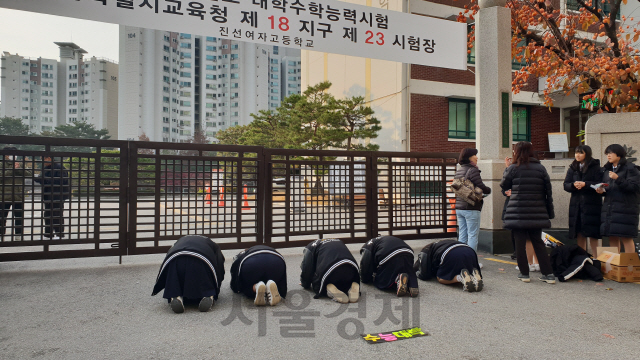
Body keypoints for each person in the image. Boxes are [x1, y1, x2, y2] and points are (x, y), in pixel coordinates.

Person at [501, 141, 556, 284]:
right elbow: (548, 192)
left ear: (517, 152)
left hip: (518, 211)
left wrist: (506, 168)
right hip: (537, 211)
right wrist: (549, 212)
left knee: (519, 243)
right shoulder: (540, 168)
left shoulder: (513, 168)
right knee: (538, 242)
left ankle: (524, 274)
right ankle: (548, 274)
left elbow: (504, 185)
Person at [152, 235, 225, 313]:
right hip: (201, 259)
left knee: (174, 275)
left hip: (176, 257)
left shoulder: (178, 241)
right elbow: (219, 265)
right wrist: (217, 287)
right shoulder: (213, 244)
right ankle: (208, 294)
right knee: (205, 276)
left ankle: (176, 295)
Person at [596, 144, 640, 253]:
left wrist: (618, 179)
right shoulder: (607, 170)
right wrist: (602, 191)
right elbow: (611, 188)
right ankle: (615, 265)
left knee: (626, 237)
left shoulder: (630, 168)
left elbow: (634, 187)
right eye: (607, 153)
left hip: (625, 209)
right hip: (610, 208)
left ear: (619, 154)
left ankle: (629, 265)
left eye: (611, 153)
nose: (608, 156)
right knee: (612, 236)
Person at [563, 145, 603, 257]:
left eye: (580, 153)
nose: (577, 155)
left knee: (593, 233)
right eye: (576, 152)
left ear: (587, 154)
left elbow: (600, 184)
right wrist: (573, 185)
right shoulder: (573, 167)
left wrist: (586, 184)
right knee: (579, 232)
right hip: (576, 205)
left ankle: (597, 259)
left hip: (592, 205)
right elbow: (566, 185)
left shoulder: (595, 167)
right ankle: (582, 259)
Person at [454, 148, 491, 254]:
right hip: (470, 207)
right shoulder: (473, 170)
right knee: (472, 235)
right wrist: (489, 190)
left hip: (459, 207)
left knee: (462, 235)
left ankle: (461, 258)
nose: (477, 157)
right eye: (475, 155)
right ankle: (471, 261)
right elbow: (481, 186)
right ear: (469, 157)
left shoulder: (460, 170)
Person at [300, 238, 360, 304]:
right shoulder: (338, 240)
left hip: (331, 272)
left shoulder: (310, 247)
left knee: (318, 284)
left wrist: (305, 283)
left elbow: (307, 268)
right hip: (351, 269)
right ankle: (349, 286)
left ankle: (328, 291)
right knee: (344, 278)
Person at [413, 240, 483, 292]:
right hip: (469, 251)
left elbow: (424, 272)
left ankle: (460, 278)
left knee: (440, 279)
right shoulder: (440, 243)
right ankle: (473, 275)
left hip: (450, 253)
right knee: (462, 267)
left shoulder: (426, 250)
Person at [33, 156, 70, 239]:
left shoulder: (59, 168)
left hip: (58, 195)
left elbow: (60, 181)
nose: (43, 161)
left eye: (43, 159)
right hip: (48, 195)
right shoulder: (46, 168)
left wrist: (45, 179)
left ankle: (59, 233)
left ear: (49, 158)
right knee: (47, 214)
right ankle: (48, 233)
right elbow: (43, 180)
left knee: (57, 214)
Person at [0, 147, 32, 240]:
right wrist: (12, 169)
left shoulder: (20, 163)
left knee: (19, 217)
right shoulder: (1, 163)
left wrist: (19, 168)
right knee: (2, 217)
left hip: (18, 195)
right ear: (6, 155)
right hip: (4, 195)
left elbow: (29, 174)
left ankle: (18, 235)